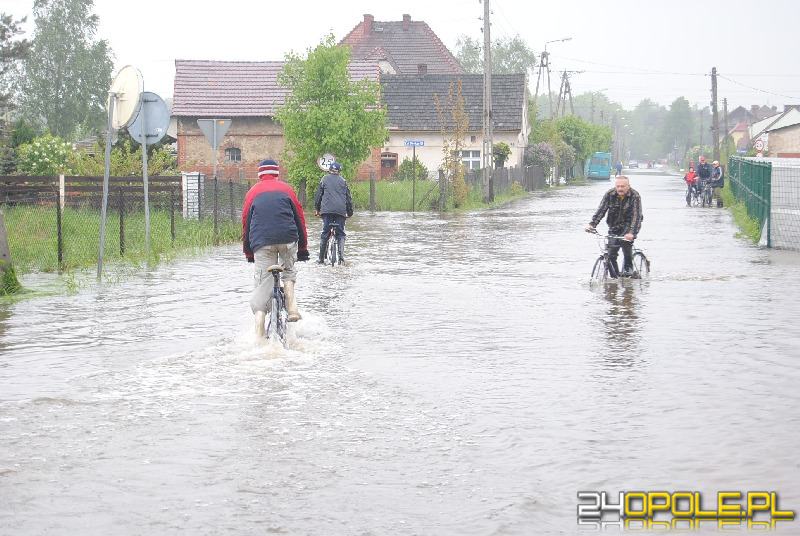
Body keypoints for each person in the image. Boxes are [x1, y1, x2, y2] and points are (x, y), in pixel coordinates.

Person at [242, 159, 310, 334]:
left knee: (262, 282)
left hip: (262, 241)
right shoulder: (287, 190)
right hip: (288, 238)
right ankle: (292, 307)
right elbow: (300, 219)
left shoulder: (252, 192)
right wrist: (303, 248)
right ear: (277, 173)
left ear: (260, 174)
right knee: (288, 271)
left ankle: (259, 328)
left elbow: (246, 223)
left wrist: (248, 251)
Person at [586, 176, 643, 277]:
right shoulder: (610, 194)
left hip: (629, 225)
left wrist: (631, 233)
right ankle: (615, 278)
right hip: (614, 225)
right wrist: (592, 224)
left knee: (625, 244)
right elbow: (601, 210)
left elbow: (636, 216)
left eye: (623, 186)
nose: (620, 188)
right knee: (611, 253)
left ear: (628, 186)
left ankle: (628, 270)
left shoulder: (635, 196)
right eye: (618, 186)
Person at [314, 162, 353, 264]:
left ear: (329, 170)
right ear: (339, 171)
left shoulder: (324, 179)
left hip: (326, 211)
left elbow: (318, 196)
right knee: (341, 234)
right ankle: (341, 259)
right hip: (340, 211)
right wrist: (350, 213)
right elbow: (348, 198)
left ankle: (321, 259)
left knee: (325, 233)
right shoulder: (343, 181)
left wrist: (317, 209)